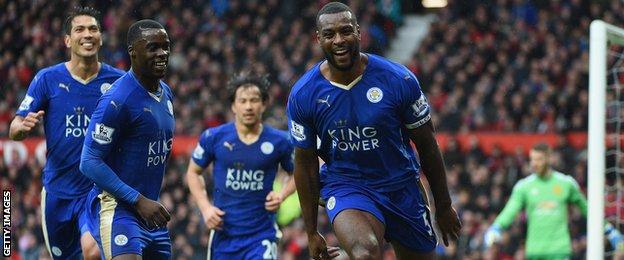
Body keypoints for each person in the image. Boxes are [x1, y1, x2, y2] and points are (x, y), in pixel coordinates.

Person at [286, 2, 461, 259]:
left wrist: (443, 205)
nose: (338, 40)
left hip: (401, 187)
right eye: (329, 34)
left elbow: (427, 145)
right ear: (318, 38)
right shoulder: (304, 95)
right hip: (347, 186)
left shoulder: (398, 80)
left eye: (345, 31)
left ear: (358, 32)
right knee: (364, 252)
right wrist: (311, 231)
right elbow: (305, 164)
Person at [8, 6, 124, 260]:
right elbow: (14, 128)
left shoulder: (119, 82)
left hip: (98, 188)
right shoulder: (47, 79)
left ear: (101, 37)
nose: (88, 34)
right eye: (79, 29)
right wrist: (22, 128)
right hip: (58, 190)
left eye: (93, 29)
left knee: (92, 252)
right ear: (68, 40)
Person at [79, 19, 174, 260]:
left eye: (166, 46)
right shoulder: (118, 99)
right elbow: (89, 161)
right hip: (118, 207)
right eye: (153, 47)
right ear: (133, 52)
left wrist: (146, 200)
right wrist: (137, 199)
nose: (162, 53)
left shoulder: (166, 93)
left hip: (150, 213)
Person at [186, 73, 298, 259]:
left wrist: (282, 194)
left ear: (264, 104)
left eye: (254, 100)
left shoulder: (281, 141)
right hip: (224, 235)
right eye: (243, 100)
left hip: (261, 235)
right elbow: (193, 172)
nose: (248, 106)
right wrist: (205, 208)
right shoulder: (214, 137)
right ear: (233, 105)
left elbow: (298, 173)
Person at [484, 143, 624, 259]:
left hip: (560, 250)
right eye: (532, 159)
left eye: (539, 159)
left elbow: (587, 210)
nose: (534, 163)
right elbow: (510, 210)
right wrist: (496, 227)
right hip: (535, 251)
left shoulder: (566, 183)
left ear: (549, 158)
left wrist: (608, 229)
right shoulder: (524, 186)